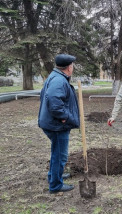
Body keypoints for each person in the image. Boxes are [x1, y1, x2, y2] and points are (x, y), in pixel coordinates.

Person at [38, 54, 80, 193]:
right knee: (60, 155)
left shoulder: (55, 77)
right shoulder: (59, 80)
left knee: (56, 152)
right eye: (72, 65)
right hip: (56, 125)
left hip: (52, 123)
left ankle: (54, 176)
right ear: (69, 67)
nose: (72, 67)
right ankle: (55, 185)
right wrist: (64, 117)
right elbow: (54, 103)